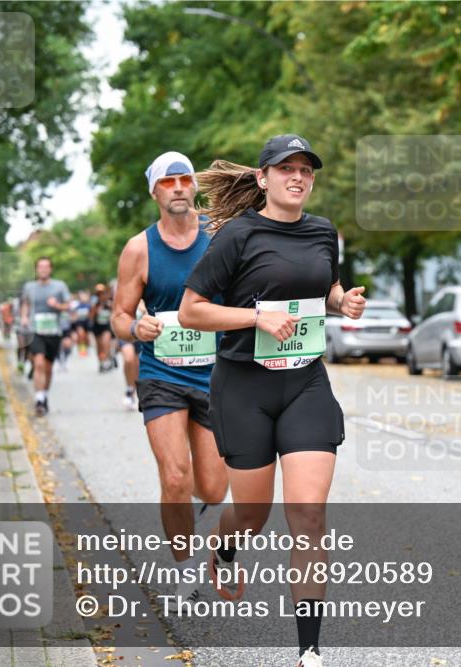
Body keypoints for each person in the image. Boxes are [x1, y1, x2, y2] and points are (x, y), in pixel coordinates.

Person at [180, 135, 366, 667]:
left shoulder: (323, 231)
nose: (298, 177)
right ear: (262, 179)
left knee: (307, 514)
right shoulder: (238, 236)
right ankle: (225, 542)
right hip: (244, 386)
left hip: (305, 382)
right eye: (286, 168)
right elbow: (193, 311)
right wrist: (254, 316)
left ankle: (309, 652)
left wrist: (341, 300)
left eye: (306, 169)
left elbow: (322, 288)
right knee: (254, 514)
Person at [112, 151, 229, 604]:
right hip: (160, 371)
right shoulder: (139, 249)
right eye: (168, 182)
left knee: (214, 487)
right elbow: (119, 316)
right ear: (154, 191)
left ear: (194, 186)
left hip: (215, 374)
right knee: (175, 475)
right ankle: (184, 569)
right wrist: (135, 327)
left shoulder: (219, 237)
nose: (178, 187)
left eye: (184, 179)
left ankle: (195, 521)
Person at [19, 257, 71, 416]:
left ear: (50, 269)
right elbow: (25, 303)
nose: (43, 269)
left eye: (46, 267)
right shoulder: (29, 287)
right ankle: (39, 399)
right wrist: (24, 316)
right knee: (39, 362)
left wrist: (57, 305)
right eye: (40, 267)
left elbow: (68, 305)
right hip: (36, 331)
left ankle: (44, 394)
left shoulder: (59, 286)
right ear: (36, 269)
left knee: (48, 368)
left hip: (54, 331)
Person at [90, 283, 115, 372]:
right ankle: (101, 362)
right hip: (97, 327)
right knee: (99, 346)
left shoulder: (109, 304)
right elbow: (91, 318)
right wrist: (96, 311)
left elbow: (115, 314)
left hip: (106, 327)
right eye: (99, 294)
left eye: (102, 293)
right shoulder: (95, 305)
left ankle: (108, 358)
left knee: (106, 342)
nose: (101, 295)